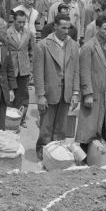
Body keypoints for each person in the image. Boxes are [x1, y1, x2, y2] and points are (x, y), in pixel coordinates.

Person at [33, 13, 80, 160]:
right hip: (49, 91)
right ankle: (42, 153)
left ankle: (57, 155)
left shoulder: (73, 44)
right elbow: (38, 73)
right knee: (46, 127)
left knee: (61, 127)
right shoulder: (43, 45)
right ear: (55, 27)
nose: (66, 31)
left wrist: (75, 93)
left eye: (68, 28)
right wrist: (40, 95)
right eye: (63, 28)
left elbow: (76, 70)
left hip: (66, 92)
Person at [76, 14, 106, 150]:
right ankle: (84, 156)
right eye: (105, 29)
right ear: (97, 28)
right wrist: (87, 93)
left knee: (105, 126)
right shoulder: (88, 47)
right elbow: (84, 72)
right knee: (89, 127)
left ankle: (100, 156)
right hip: (94, 93)